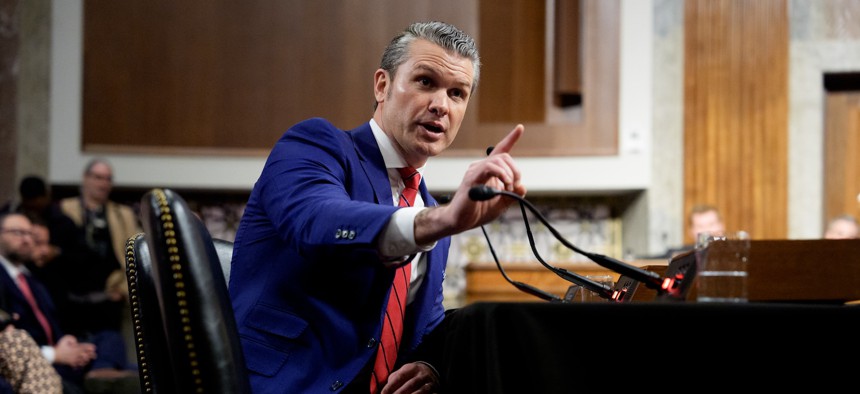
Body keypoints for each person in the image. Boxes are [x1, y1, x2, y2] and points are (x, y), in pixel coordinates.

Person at [229, 21, 526, 393]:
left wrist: (430, 364)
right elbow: (316, 221)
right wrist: (440, 221)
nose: (440, 105)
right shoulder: (317, 145)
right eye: (425, 82)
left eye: (457, 93)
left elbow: (420, 326)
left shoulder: (428, 209)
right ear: (382, 85)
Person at [58, 159, 139, 359]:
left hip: (110, 296)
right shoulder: (64, 208)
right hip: (72, 297)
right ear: (86, 179)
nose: (103, 183)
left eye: (108, 179)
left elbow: (135, 252)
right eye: (98, 177)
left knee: (112, 351)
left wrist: (121, 288)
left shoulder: (123, 214)